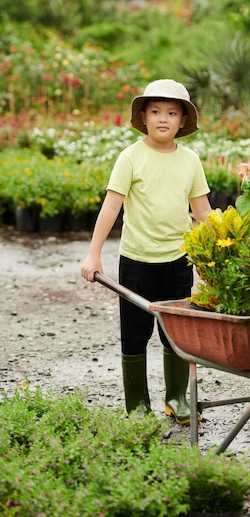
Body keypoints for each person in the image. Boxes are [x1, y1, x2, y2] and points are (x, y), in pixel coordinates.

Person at [81, 79, 211, 422]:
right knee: (135, 332)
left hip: (179, 259)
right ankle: (137, 405)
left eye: (171, 112)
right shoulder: (131, 157)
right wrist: (94, 253)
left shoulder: (190, 161)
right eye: (155, 111)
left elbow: (203, 213)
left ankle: (177, 399)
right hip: (137, 259)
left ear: (183, 120)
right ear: (144, 116)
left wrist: (219, 256)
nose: (163, 118)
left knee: (175, 332)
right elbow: (111, 207)